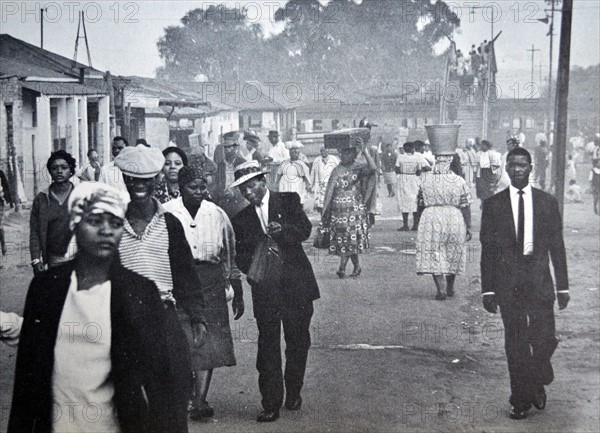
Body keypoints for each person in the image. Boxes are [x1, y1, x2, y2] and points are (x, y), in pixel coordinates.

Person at [7, 182, 189, 433]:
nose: (106, 231)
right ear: (75, 224)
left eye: (115, 223)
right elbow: (27, 379)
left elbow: (160, 383)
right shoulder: (47, 289)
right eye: (95, 221)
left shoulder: (139, 292)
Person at [114, 144, 206, 427]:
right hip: (124, 322)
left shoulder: (170, 224)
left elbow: (186, 275)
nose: (139, 186)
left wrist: (197, 316)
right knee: (128, 403)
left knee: (171, 401)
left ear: (157, 181)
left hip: (164, 317)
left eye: (146, 180)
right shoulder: (114, 224)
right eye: (133, 179)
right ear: (125, 181)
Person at [480, 147, 569, 420]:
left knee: (543, 338)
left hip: (540, 281)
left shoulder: (547, 202)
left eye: (523, 165)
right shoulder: (493, 205)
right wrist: (488, 288)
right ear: (506, 169)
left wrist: (562, 286)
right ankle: (520, 398)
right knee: (516, 341)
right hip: (509, 284)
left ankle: (538, 374)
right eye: (513, 165)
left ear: (531, 169)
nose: (518, 169)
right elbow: (488, 250)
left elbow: (557, 246)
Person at [230, 161, 320, 422]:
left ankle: (294, 391)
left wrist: (284, 232)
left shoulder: (288, 200)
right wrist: (257, 263)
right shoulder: (242, 219)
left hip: (297, 287)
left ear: (263, 181)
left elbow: (305, 230)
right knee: (267, 346)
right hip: (266, 291)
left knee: (298, 342)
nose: (247, 193)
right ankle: (270, 402)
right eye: (243, 190)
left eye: (250, 186)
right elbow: (241, 256)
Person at [164, 165, 245, 420]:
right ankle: (186, 394)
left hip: (210, 280)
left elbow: (229, 250)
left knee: (207, 340)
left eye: (203, 187)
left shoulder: (216, 213)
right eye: (193, 187)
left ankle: (200, 400)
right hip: (177, 279)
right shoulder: (167, 212)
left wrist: (236, 285)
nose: (199, 192)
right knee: (182, 337)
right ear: (180, 187)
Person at [416, 154, 472, 300]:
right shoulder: (459, 181)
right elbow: (465, 205)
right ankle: (450, 287)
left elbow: (420, 203)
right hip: (454, 216)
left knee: (435, 251)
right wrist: (468, 226)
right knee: (452, 251)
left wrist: (421, 224)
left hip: (431, 216)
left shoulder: (426, 180)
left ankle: (440, 289)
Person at [321, 138, 377, 278]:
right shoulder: (336, 169)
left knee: (348, 238)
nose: (343, 156)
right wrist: (326, 210)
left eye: (347, 153)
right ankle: (357, 267)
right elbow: (330, 192)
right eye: (342, 153)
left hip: (354, 209)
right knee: (345, 239)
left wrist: (364, 150)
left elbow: (373, 168)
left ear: (353, 154)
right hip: (338, 210)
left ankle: (342, 268)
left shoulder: (358, 168)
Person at [30, 150, 77, 273]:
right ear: (50, 172)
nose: (59, 171)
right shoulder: (41, 199)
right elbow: (35, 232)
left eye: (64, 167)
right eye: (54, 168)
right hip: (54, 261)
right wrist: (36, 259)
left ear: (71, 170)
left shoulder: (82, 196)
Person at [213, 131, 249, 219]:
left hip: (239, 204)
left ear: (236, 148)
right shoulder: (221, 165)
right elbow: (217, 184)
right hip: (224, 204)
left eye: (230, 147)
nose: (226, 150)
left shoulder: (243, 164)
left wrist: (234, 193)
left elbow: (247, 185)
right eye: (225, 147)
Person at [395, 142, 422, 231]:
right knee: (415, 201)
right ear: (413, 149)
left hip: (404, 179)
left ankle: (405, 225)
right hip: (414, 179)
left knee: (404, 201)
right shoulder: (417, 158)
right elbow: (419, 171)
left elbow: (397, 169)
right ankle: (415, 225)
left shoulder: (400, 157)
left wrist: (404, 171)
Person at [311, 146, 340, 213]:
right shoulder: (317, 160)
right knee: (320, 204)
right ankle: (322, 218)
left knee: (330, 202)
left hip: (331, 184)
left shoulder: (333, 159)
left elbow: (338, 169)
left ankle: (329, 218)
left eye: (324, 150)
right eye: (321, 151)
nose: (322, 152)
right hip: (320, 185)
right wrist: (311, 184)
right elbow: (312, 173)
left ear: (328, 151)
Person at [475, 140, 501, 205]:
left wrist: (493, 167)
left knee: (490, 190)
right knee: (481, 189)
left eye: (483, 145)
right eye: (481, 145)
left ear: (487, 146)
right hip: (481, 173)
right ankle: (482, 203)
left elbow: (497, 164)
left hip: (490, 173)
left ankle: (490, 203)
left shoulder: (492, 154)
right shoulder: (478, 154)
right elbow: (475, 164)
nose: (481, 146)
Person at [0, 168, 14, 256]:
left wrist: (10, 202)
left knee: (0, 225)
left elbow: (6, 187)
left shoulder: (0, 173)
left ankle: (3, 244)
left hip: (0, 202)